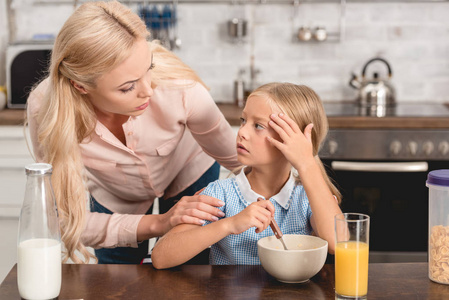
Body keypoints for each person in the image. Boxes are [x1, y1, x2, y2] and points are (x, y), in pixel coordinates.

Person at [26, 1, 240, 264]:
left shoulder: (180, 88)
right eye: (128, 87)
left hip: (188, 168)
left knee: (189, 272)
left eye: (148, 68)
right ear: (80, 86)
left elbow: (242, 162)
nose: (148, 90)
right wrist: (158, 223)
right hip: (115, 194)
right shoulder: (45, 109)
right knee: (118, 278)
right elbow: (64, 217)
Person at [151, 82, 343, 268]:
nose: (242, 132)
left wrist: (306, 162)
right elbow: (161, 257)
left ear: (291, 141)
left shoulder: (310, 197)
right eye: (244, 121)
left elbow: (338, 244)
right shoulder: (220, 194)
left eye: (258, 126)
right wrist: (229, 225)